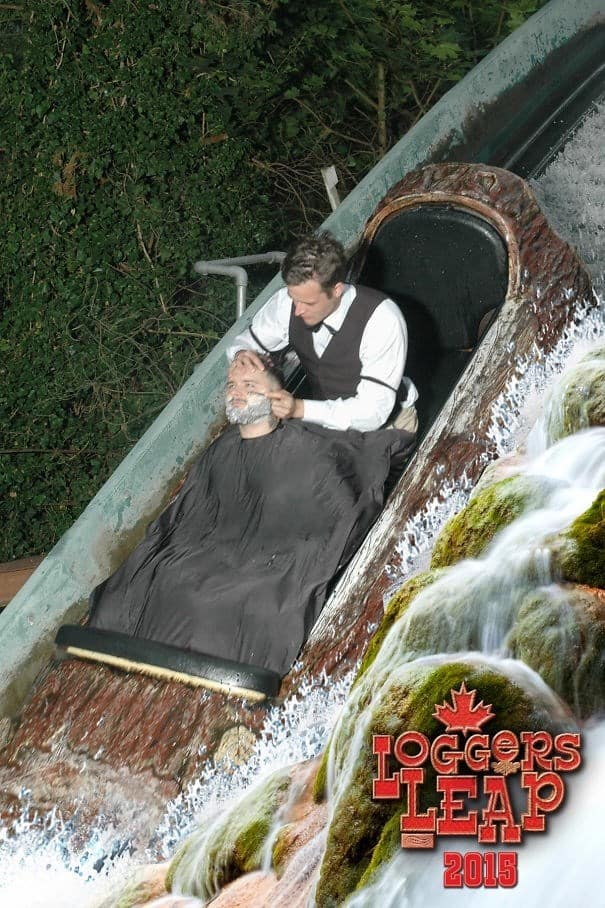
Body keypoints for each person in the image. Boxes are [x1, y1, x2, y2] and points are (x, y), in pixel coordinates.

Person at [88, 361, 414, 677]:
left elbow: (338, 505)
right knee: (151, 577)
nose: (236, 392)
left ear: (276, 397)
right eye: (231, 385)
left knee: (232, 596)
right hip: (216, 546)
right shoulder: (221, 450)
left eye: (249, 386)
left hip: (279, 551)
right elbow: (190, 513)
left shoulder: (307, 446)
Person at [227, 231, 418, 433]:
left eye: (309, 303)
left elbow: (373, 413)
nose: (297, 310)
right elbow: (243, 343)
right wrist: (242, 354)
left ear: (337, 290)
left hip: (386, 427)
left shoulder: (382, 320)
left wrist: (299, 408)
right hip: (326, 422)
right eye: (294, 298)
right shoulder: (287, 302)